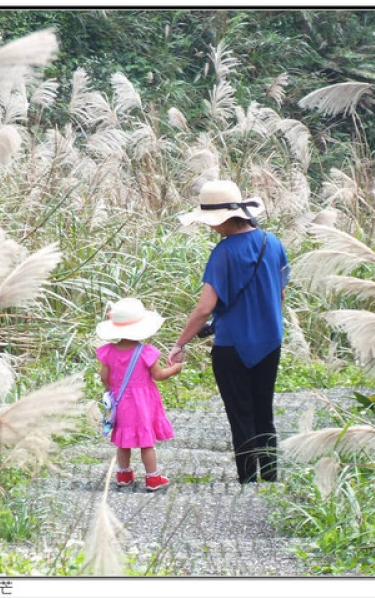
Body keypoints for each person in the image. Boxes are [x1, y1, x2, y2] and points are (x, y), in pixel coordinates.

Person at [167, 180, 289, 484]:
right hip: (270, 339)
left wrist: (179, 343)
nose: (211, 228)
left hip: (232, 345)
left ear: (223, 219)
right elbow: (281, 293)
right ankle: (271, 476)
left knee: (240, 412)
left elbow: (205, 308)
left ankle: (248, 480)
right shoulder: (272, 243)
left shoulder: (223, 253)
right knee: (264, 409)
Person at [96, 297, 182, 491]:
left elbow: (104, 377)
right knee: (146, 442)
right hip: (143, 403)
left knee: (123, 441)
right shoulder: (146, 352)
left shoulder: (108, 352)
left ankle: (124, 475)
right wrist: (175, 369)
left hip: (121, 402)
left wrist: (111, 389)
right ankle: (152, 478)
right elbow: (158, 375)